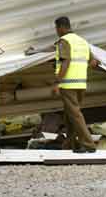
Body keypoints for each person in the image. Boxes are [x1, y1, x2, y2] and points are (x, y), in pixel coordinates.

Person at [26, 16, 98, 153]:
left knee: (75, 114)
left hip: (68, 84)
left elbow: (65, 62)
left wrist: (57, 83)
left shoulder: (64, 41)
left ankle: (88, 144)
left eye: (56, 29)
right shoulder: (81, 41)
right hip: (81, 83)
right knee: (70, 114)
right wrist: (35, 51)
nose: (56, 31)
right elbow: (93, 62)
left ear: (60, 27)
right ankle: (70, 144)